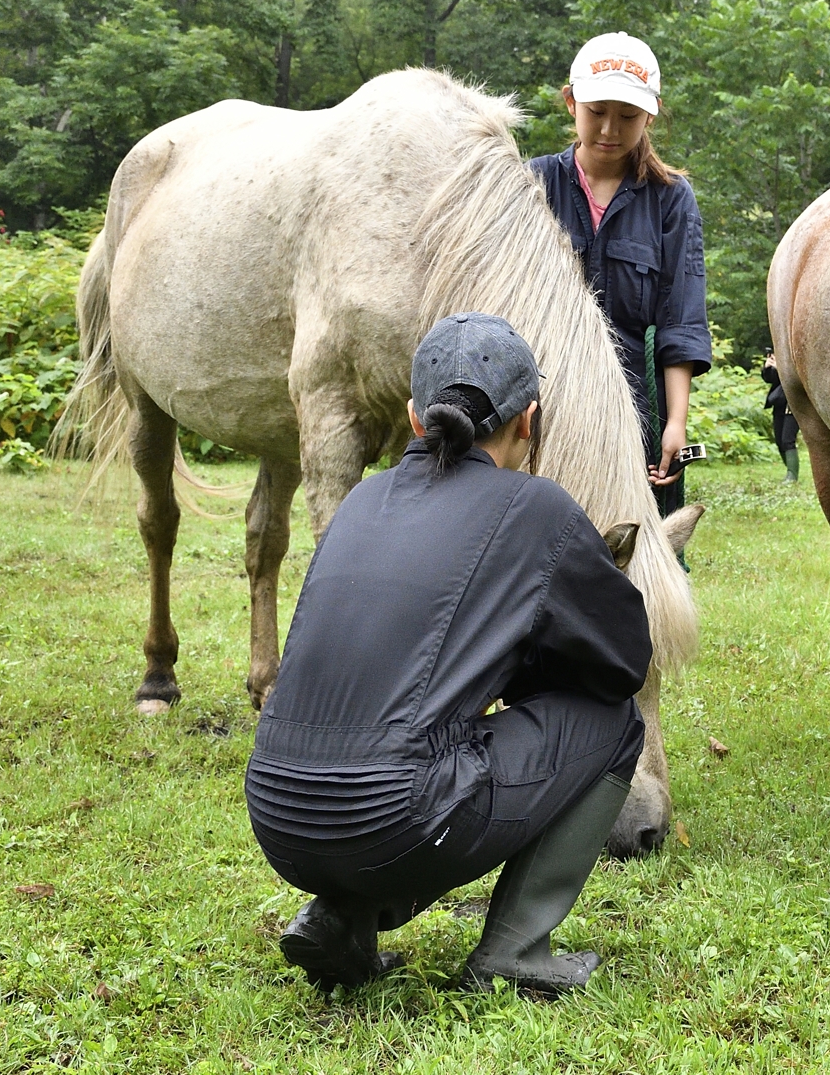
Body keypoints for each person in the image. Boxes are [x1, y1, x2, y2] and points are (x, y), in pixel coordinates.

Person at [246, 313, 653, 995]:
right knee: (614, 723)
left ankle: (338, 917)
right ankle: (516, 952)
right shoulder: (537, 509)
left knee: (396, 742)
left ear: (413, 416)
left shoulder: (360, 500)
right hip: (392, 817)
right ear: (529, 419)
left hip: (278, 817)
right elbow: (621, 663)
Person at [528, 33, 712, 520]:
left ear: (650, 115)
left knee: (629, 546)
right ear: (572, 103)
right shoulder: (532, 184)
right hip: (543, 405)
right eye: (597, 111)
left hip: (633, 411)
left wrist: (675, 423)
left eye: (628, 116)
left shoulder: (671, 200)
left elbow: (680, 320)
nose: (610, 129)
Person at [762, 350, 799, 482]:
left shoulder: (794, 353)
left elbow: (796, 377)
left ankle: (792, 475)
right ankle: (789, 469)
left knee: (787, 439)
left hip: (793, 402)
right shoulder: (778, 351)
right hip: (779, 402)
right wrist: (767, 368)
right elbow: (770, 379)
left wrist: (782, 368)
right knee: (779, 440)